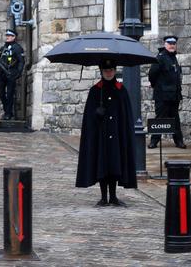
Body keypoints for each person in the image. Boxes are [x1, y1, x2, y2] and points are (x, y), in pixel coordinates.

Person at [76, 59, 136, 207]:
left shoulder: (121, 90)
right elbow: (89, 118)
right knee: (102, 163)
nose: (108, 73)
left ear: (115, 70)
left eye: (111, 70)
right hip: (101, 135)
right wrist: (96, 113)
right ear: (102, 71)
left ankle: (114, 197)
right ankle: (104, 197)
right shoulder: (95, 91)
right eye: (105, 70)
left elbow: (126, 116)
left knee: (115, 163)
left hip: (116, 134)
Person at [148, 35, 185, 149]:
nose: (172, 45)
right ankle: (154, 141)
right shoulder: (161, 57)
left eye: (174, 43)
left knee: (175, 119)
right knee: (160, 119)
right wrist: (157, 87)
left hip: (174, 95)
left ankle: (179, 141)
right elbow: (152, 74)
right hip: (162, 96)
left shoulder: (173, 58)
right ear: (165, 44)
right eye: (169, 43)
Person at [0, 29, 25, 120]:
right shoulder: (2, 49)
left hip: (11, 73)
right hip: (2, 74)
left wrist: (18, 73)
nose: (7, 37)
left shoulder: (17, 48)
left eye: (10, 36)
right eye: (7, 35)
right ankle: (8, 111)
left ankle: (8, 113)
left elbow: (21, 62)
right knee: (1, 93)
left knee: (10, 94)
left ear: (14, 37)